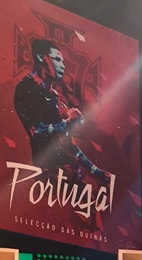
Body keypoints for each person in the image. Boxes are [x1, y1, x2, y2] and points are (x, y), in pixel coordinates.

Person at [14, 37, 111, 184]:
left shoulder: (57, 97)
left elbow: (69, 145)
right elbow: (35, 131)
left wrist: (95, 171)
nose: (62, 66)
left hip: (73, 175)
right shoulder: (26, 88)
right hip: (50, 175)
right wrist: (67, 123)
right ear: (40, 57)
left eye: (63, 62)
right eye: (57, 60)